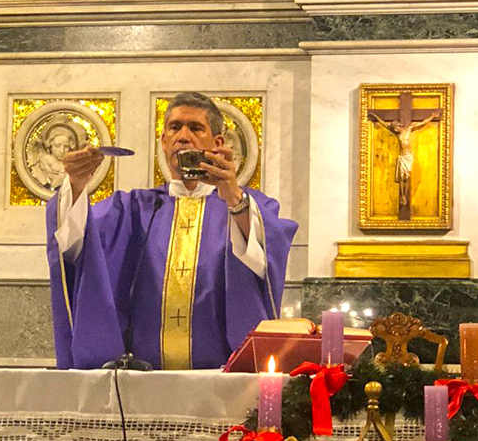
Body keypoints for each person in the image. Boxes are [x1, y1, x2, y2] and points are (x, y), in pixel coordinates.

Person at [46, 92, 297, 370]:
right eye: (175, 127)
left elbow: (266, 258)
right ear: (164, 142)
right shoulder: (132, 209)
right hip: (144, 380)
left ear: (217, 143)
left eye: (196, 128)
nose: (183, 136)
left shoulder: (243, 205)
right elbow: (76, 247)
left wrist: (234, 198)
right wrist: (76, 185)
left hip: (221, 378)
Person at [30, 123, 80, 189]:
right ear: (49, 145)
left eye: (66, 146)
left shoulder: (74, 166)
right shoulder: (43, 163)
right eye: (57, 146)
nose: (62, 150)